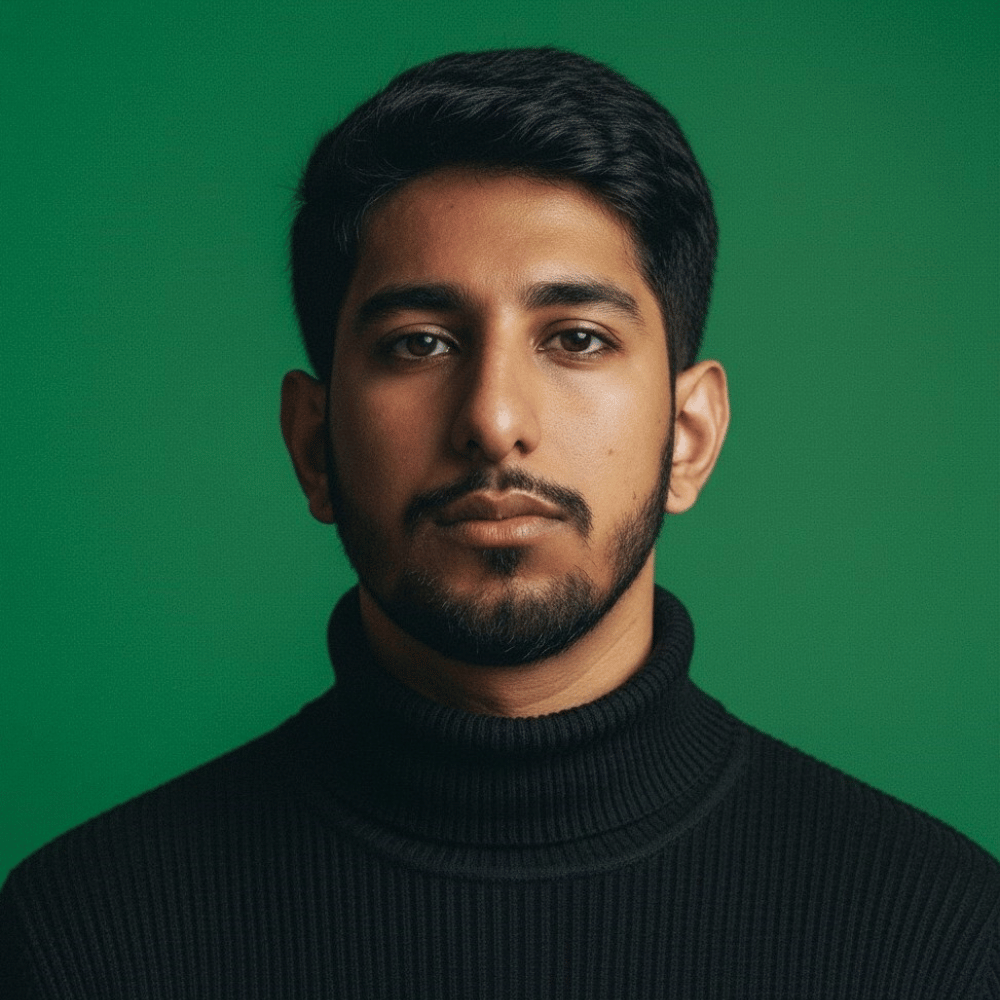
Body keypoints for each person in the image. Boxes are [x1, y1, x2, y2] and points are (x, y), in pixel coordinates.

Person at [0, 47, 996, 999]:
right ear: (313, 443)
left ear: (687, 436)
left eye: (575, 337)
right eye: (420, 342)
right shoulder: (81, 938)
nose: (492, 419)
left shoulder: (940, 937)